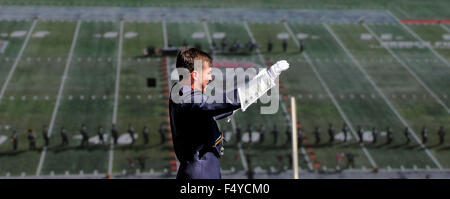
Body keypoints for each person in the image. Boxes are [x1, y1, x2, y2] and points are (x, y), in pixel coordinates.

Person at [169, 48, 289, 179]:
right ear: (195, 75)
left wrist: (254, 91)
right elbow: (211, 104)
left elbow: (208, 111)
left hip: (202, 168)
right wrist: (264, 81)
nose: (210, 78)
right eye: (208, 73)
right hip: (201, 172)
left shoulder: (182, 93)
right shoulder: (185, 96)